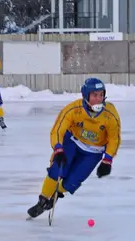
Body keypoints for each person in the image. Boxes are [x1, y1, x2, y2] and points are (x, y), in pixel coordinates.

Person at [27, 77, 122, 219]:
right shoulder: (73, 109)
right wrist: (58, 148)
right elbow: (58, 129)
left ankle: (56, 195)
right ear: (85, 95)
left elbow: (114, 138)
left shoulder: (110, 115)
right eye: (95, 95)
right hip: (72, 142)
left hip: (93, 152)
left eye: (101, 95)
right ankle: (43, 200)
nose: (99, 99)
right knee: (57, 170)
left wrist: (107, 160)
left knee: (73, 181)